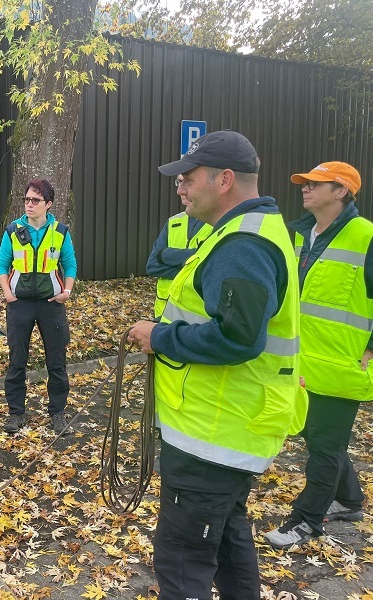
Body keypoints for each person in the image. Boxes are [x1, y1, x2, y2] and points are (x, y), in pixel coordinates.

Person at [128, 131, 306, 599]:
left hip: (214, 434)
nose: (180, 188)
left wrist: (159, 336)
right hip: (223, 430)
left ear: (224, 179)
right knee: (227, 540)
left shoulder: (243, 246)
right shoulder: (242, 233)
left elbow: (237, 337)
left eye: (186, 179)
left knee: (183, 558)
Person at [263, 162, 371, 549]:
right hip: (298, 362)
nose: (305, 189)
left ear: (341, 191)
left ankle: (307, 521)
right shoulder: (296, 235)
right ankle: (350, 500)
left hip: (341, 364)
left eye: (315, 184)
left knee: (324, 449)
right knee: (318, 439)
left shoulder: (366, 237)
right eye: (304, 184)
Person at [0, 178, 77, 435]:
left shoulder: (60, 232)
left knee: (56, 361)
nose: (29, 204)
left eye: (35, 200)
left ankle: (58, 414)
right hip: (19, 304)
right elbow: (1, 265)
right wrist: (8, 294)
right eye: (27, 199)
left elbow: (70, 264)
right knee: (17, 360)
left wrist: (66, 292)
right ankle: (16, 414)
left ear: (48, 204)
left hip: (51, 304)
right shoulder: (13, 230)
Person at [146, 195, 212, 318]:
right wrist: (192, 264)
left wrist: (165, 254)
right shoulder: (174, 222)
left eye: (188, 181)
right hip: (163, 313)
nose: (180, 190)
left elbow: (210, 263)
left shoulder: (216, 224)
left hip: (196, 316)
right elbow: (152, 266)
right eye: (179, 181)